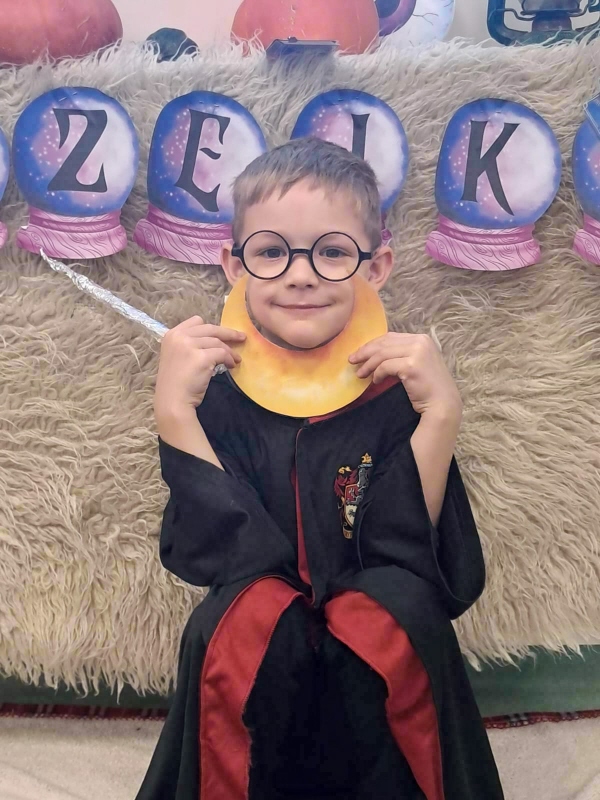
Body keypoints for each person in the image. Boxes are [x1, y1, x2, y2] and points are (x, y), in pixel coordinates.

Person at [136, 137, 504, 800]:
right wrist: (175, 415)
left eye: (332, 252)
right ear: (234, 266)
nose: (301, 275)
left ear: (377, 266)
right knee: (240, 616)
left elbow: (407, 558)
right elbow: (221, 556)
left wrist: (440, 416)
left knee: (396, 609)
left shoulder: (396, 398)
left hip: (376, 681)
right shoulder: (218, 400)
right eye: (271, 252)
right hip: (260, 678)